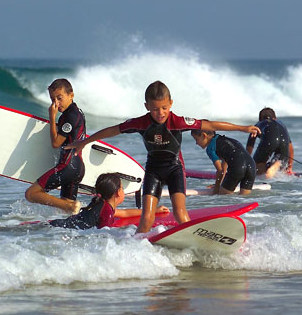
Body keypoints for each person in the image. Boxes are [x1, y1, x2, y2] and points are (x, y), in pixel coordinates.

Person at [65, 80, 260, 233]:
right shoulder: (140, 123)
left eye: (165, 107)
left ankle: (193, 239)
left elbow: (210, 125)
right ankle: (135, 250)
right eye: (156, 108)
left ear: (171, 104)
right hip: (154, 171)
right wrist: (84, 142)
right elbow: (112, 130)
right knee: (146, 219)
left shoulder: (178, 121)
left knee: (180, 214)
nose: (161, 113)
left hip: (175, 169)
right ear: (147, 106)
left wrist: (242, 128)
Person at [24, 78, 86, 214]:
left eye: (59, 98)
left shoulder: (70, 116)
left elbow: (56, 143)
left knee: (31, 194)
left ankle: (71, 207)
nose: (56, 104)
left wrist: (52, 118)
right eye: (52, 100)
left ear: (71, 95)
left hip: (68, 166)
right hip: (77, 167)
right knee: (68, 214)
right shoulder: (77, 113)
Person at [49, 173, 169, 229]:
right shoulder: (105, 210)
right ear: (118, 192)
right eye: (122, 188)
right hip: (62, 229)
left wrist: (154, 211)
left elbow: (124, 213)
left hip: (58, 224)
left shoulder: (103, 205)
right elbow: (104, 235)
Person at [191, 129, 256, 195]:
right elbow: (225, 163)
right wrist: (221, 184)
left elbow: (220, 171)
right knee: (244, 199)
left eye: (196, 139)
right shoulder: (227, 140)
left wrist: (216, 188)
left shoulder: (210, 148)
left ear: (203, 135)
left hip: (237, 167)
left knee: (224, 198)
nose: (196, 143)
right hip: (252, 166)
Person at [246, 107, 294, 178]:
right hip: (284, 142)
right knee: (281, 163)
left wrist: (247, 164)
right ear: (275, 118)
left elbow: (250, 146)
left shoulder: (257, 125)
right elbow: (290, 148)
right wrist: (290, 167)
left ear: (260, 119)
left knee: (257, 168)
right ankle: (276, 165)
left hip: (269, 141)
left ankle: (269, 171)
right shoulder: (282, 125)